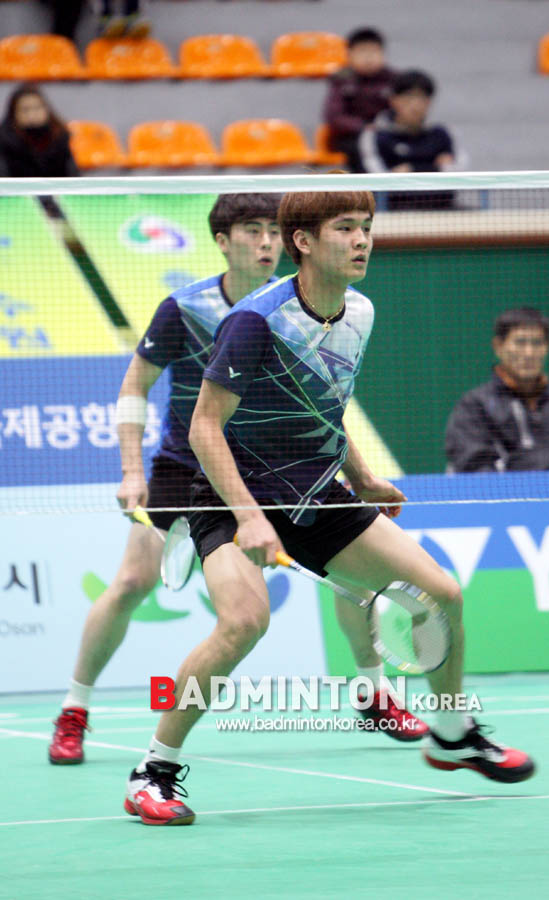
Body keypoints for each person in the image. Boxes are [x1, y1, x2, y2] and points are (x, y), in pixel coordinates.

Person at [124, 188, 535, 826]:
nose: (362, 239)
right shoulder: (255, 321)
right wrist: (250, 517)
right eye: (345, 228)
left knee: (441, 594)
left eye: (366, 226)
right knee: (243, 623)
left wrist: (363, 476)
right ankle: (152, 771)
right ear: (305, 242)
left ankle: (452, 735)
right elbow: (204, 427)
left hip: (314, 488)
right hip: (231, 494)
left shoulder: (360, 311)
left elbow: (324, 406)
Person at [48, 192, 425, 766]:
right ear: (223, 242)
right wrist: (130, 471)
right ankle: (74, 709)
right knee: (131, 583)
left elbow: (319, 403)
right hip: (188, 465)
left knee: (356, 576)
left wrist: (362, 474)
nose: (266, 242)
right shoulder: (186, 308)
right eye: (252, 231)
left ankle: (374, 692)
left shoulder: (309, 308)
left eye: (272, 231)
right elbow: (134, 387)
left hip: (279, 467)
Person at [445, 307, 549, 472]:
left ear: (547, 347)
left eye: (537, 343)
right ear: (498, 346)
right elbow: (474, 465)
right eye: (520, 342)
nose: (529, 353)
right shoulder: (475, 406)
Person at [358, 69, 455, 210]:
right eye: (408, 98)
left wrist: (411, 169)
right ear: (393, 100)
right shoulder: (375, 135)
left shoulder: (442, 134)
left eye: (422, 98)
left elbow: (455, 172)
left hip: (443, 209)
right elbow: (379, 179)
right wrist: (434, 168)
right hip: (389, 211)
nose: (415, 105)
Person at [322, 28, 399, 173]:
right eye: (362, 51)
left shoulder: (394, 79)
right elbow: (334, 117)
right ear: (350, 54)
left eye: (374, 51)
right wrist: (363, 127)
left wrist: (384, 126)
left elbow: (402, 112)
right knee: (360, 149)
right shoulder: (341, 79)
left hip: (386, 134)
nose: (368, 58)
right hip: (353, 137)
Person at [0, 83, 79, 178]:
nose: (32, 115)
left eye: (37, 108)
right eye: (25, 110)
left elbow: (72, 178)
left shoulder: (60, 138)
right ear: (14, 114)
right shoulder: (4, 143)